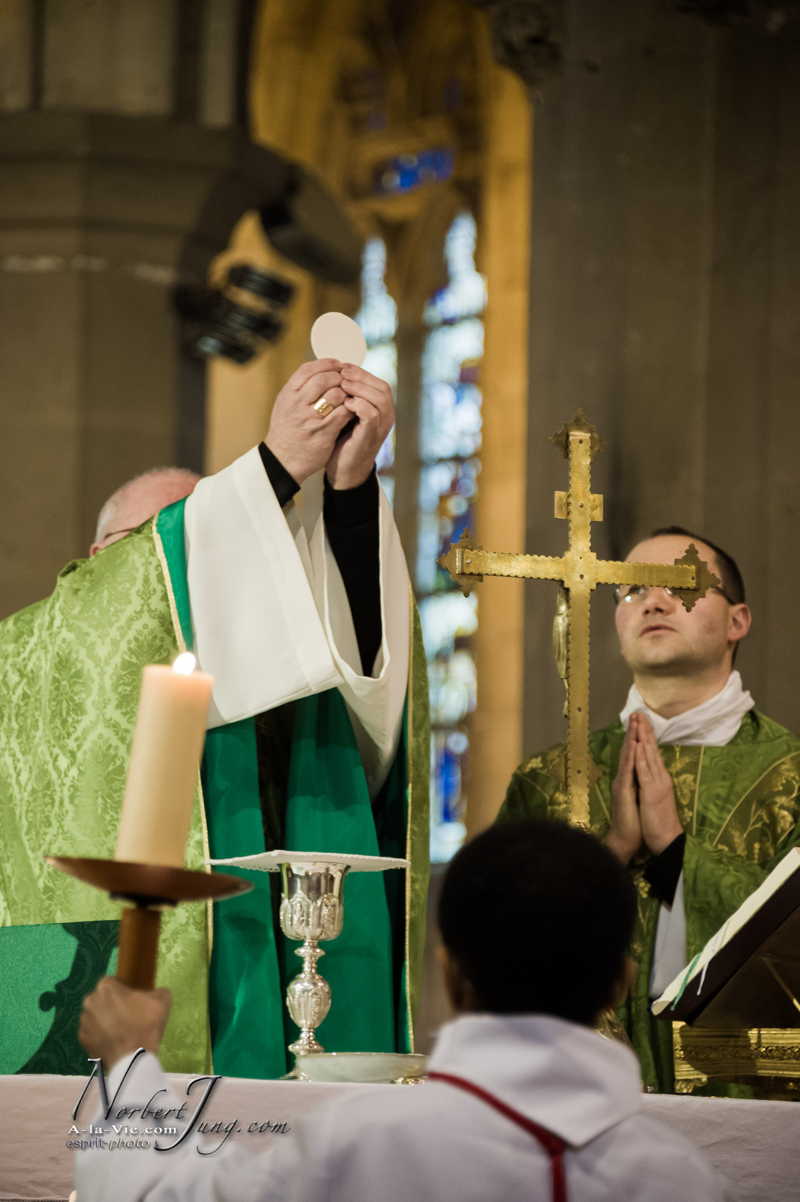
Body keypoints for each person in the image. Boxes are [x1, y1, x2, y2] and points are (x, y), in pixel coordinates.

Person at [0, 358, 428, 1079]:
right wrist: (277, 465)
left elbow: (358, 664)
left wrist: (350, 496)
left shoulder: (283, 659)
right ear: (104, 560)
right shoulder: (33, 645)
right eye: (171, 541)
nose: (202, 571)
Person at [72, 818, 722, 1202]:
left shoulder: (362, 1145)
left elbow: (150, 1196)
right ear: (620, 983)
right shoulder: (680, 1178)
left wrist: (129, 1062)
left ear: (450, 972)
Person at [500, 527, 800, 1094]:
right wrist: (609, 852)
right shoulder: (545, 782)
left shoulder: (791, 776)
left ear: (737, 621)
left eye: (681, 584)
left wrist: (677, 853)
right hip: (572, 1088)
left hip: (749, 1090)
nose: (653, 602)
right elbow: (490, 947)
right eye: (632, 590)